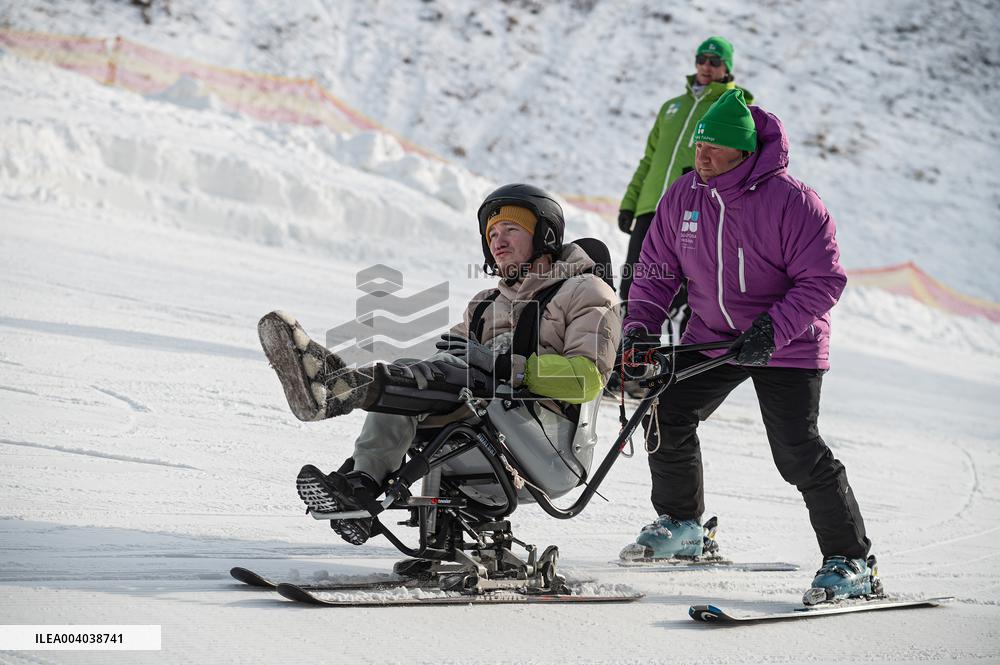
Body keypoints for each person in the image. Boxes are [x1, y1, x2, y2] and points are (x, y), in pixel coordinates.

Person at [618, 89, 878, 605]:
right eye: (698, 146)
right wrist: (640, 328)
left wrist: (771, 330)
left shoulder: (793, 201)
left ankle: (851, 562)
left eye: (714, 147)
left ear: (743, 150)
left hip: (787, 342)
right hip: (713, 335)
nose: (703, 156)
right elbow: (654, 273)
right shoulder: (682, 197)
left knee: (796, 450)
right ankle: (683, 525)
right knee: (666, 407)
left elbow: (823, 280)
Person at [257, 184, 621, 546]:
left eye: (511, 229)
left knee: (439, 376)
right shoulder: (484, 303)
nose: (498, 240)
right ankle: (360, 486)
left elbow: (587, 379)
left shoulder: (587, 291)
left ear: (545, 235)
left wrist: (505, 366)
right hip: (492, 423)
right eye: (491, 233)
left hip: (550, 446)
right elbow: (444, 365)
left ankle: (339, 386)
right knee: (413, 379)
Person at [617, 36, 753, 319]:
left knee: (683, 292)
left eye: (714, 61)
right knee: (633, 283)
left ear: (726, 67)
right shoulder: (671, 107)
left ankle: (682, 358)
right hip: (650, 208)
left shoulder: (732, 107)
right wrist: (630, 202)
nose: (706, 66)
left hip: (692, 210)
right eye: (701, 60)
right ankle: (625, 351)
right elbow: (649, 159)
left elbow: (741, 161)